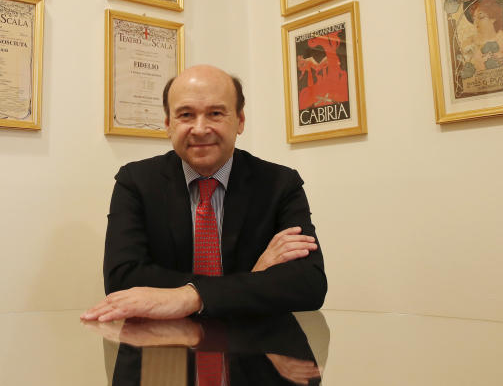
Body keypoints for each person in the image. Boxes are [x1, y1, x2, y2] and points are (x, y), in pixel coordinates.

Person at [82, 65, 326, 322]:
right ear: (168, 124)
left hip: (255, 351)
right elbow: (122, 281)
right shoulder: (135, 182)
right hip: (162, 349)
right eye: (186, 115)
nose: (200, 129)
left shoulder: (280, 184)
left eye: (216, 113)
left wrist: (193, 296)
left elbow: (309, 285)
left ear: (240, 121)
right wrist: (252, 280)